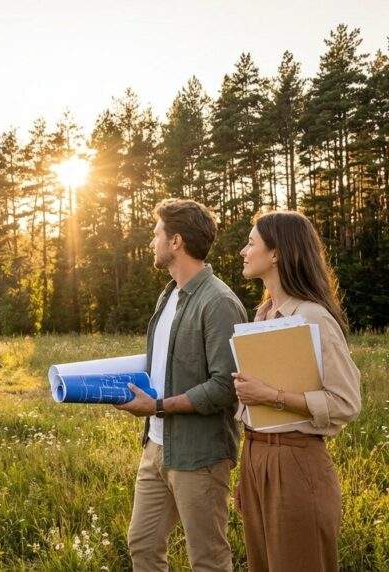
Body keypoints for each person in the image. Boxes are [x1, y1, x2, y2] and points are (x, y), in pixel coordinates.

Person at [115, 198, 247, 572]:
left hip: (200, 455)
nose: (151, 242)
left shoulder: (219, 302)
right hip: (156, 446)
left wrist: (156, 406)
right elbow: (162, 366)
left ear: (176, 242)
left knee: (206, 558)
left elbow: (225, 387)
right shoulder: (168, 295)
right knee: (142, 545)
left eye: (156, 234)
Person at [233, 210, 362, 572]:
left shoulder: (312, 317)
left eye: (251, 243)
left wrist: (270, 395)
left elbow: (346, 402)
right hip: (257, 455)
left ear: (275, 254)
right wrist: (250, 469)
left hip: (295, 461)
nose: (244, 250)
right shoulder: (263, 314)